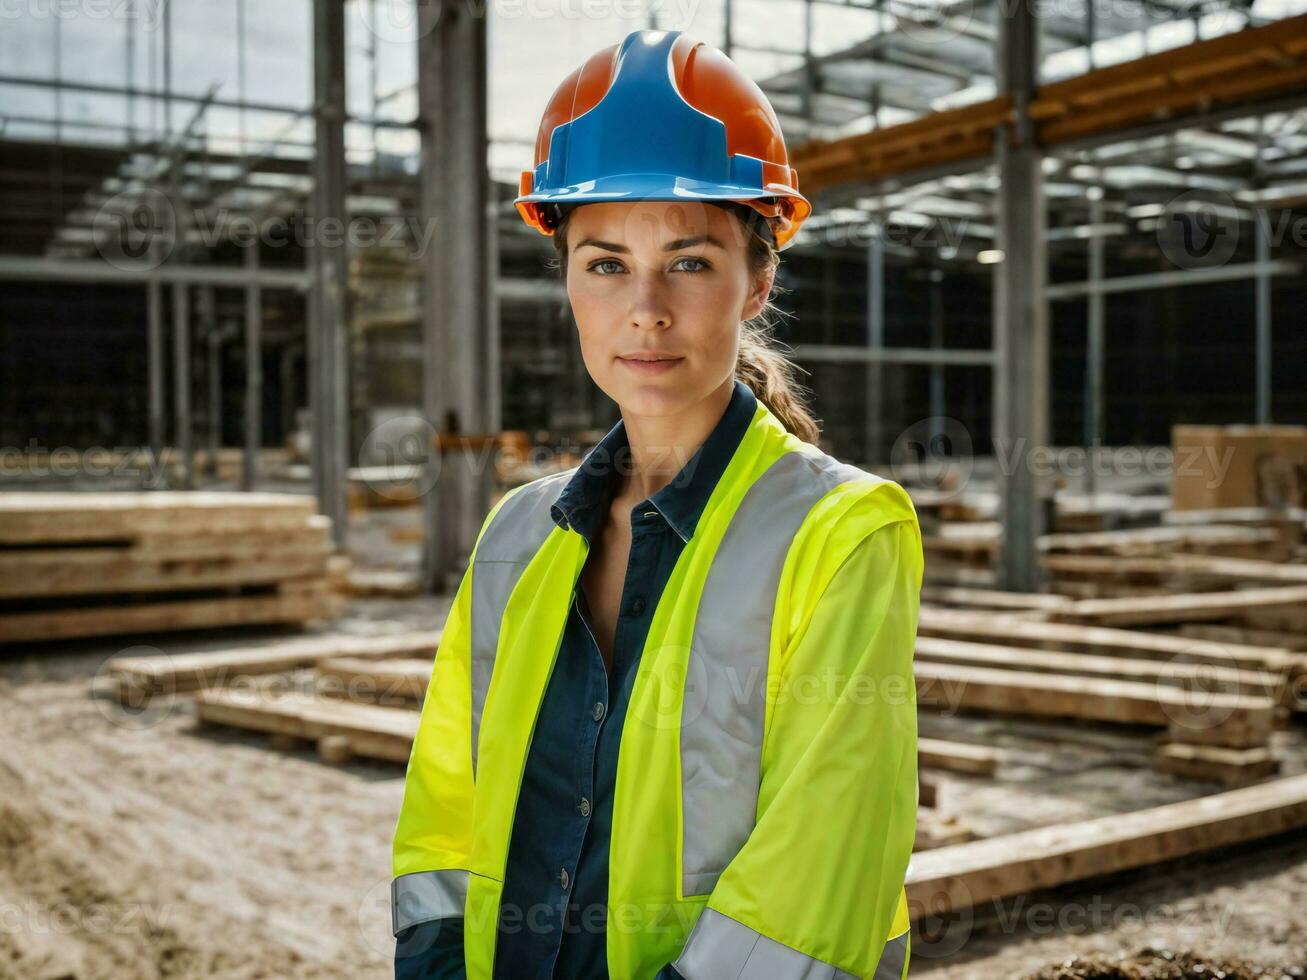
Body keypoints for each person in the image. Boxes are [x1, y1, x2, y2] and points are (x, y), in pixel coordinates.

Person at [391, 28, 921, 980]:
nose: (645, 309)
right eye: (604, 264)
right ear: (565, 281)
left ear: (757, 280)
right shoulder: (519, 531)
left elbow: (823, 852)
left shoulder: (842, 532)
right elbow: (448, 794)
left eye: (688, 261)